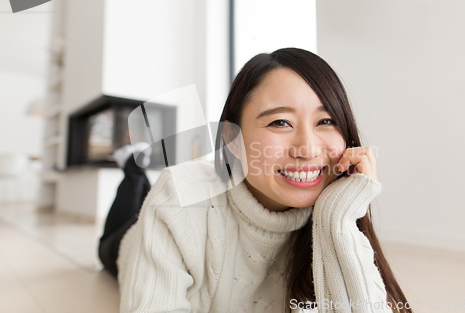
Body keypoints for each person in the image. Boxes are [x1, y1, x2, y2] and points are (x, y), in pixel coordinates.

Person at [98, 48, 413, 313]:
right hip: (128, 242)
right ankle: (132, 166)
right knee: (128, 206)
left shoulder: (335, 205)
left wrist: (338, 219)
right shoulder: (179, 196)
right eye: (280, 122)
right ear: (230, 137)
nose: (308, 148)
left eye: (326, 120)